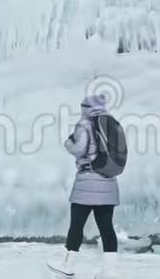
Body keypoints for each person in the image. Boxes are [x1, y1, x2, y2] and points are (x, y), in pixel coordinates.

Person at [47, 94, 123, 279]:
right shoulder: (113, 124)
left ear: (86, 107)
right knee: (107, 228)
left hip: (86, 183)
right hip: (109, 182)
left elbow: (79, 149)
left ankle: (68, 264)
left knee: (76, 226)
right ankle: (110, 272)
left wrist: (68, 142)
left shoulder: (85, 124)